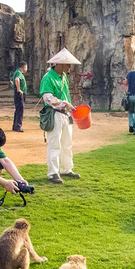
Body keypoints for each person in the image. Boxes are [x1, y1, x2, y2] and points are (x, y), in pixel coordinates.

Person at [39, 48, 81, 184]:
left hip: (65, 114)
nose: (69, 67)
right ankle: (53, 172)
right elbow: (47, 97)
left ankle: (66, 168)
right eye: (67, 64)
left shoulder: (63, 77)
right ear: (59, 64)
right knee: (54, 143)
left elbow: (65, 95)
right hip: (55, 113)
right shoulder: (48, 78)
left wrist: (69, 108)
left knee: (67, 143)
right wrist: (64, 104)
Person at [11, 61, 27, 132]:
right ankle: (18, 126)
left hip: (18, 93)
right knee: (20, 109)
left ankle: (15, 125)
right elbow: (16, 80)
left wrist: (14, 86)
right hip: (19, 94)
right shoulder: (19, 73)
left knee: (18, 109)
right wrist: (18, 89)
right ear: (24, 67)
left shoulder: (16, 72)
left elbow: (11, 80)